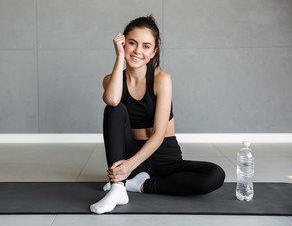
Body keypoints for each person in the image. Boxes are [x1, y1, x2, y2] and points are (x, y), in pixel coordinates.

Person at [90, 15, 225, 214]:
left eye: (146, 46)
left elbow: (159, 133)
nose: (137, 51)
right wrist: (119, 57)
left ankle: (137, 185)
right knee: (114, 108)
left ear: (153, 52)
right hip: (132, 152)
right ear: (123, 43)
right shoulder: (111, 79)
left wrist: (129, 166)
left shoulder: (162, 79)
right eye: (132, 43)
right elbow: (111, 100)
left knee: (215, 174)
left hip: (163, 154)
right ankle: (118, 187)